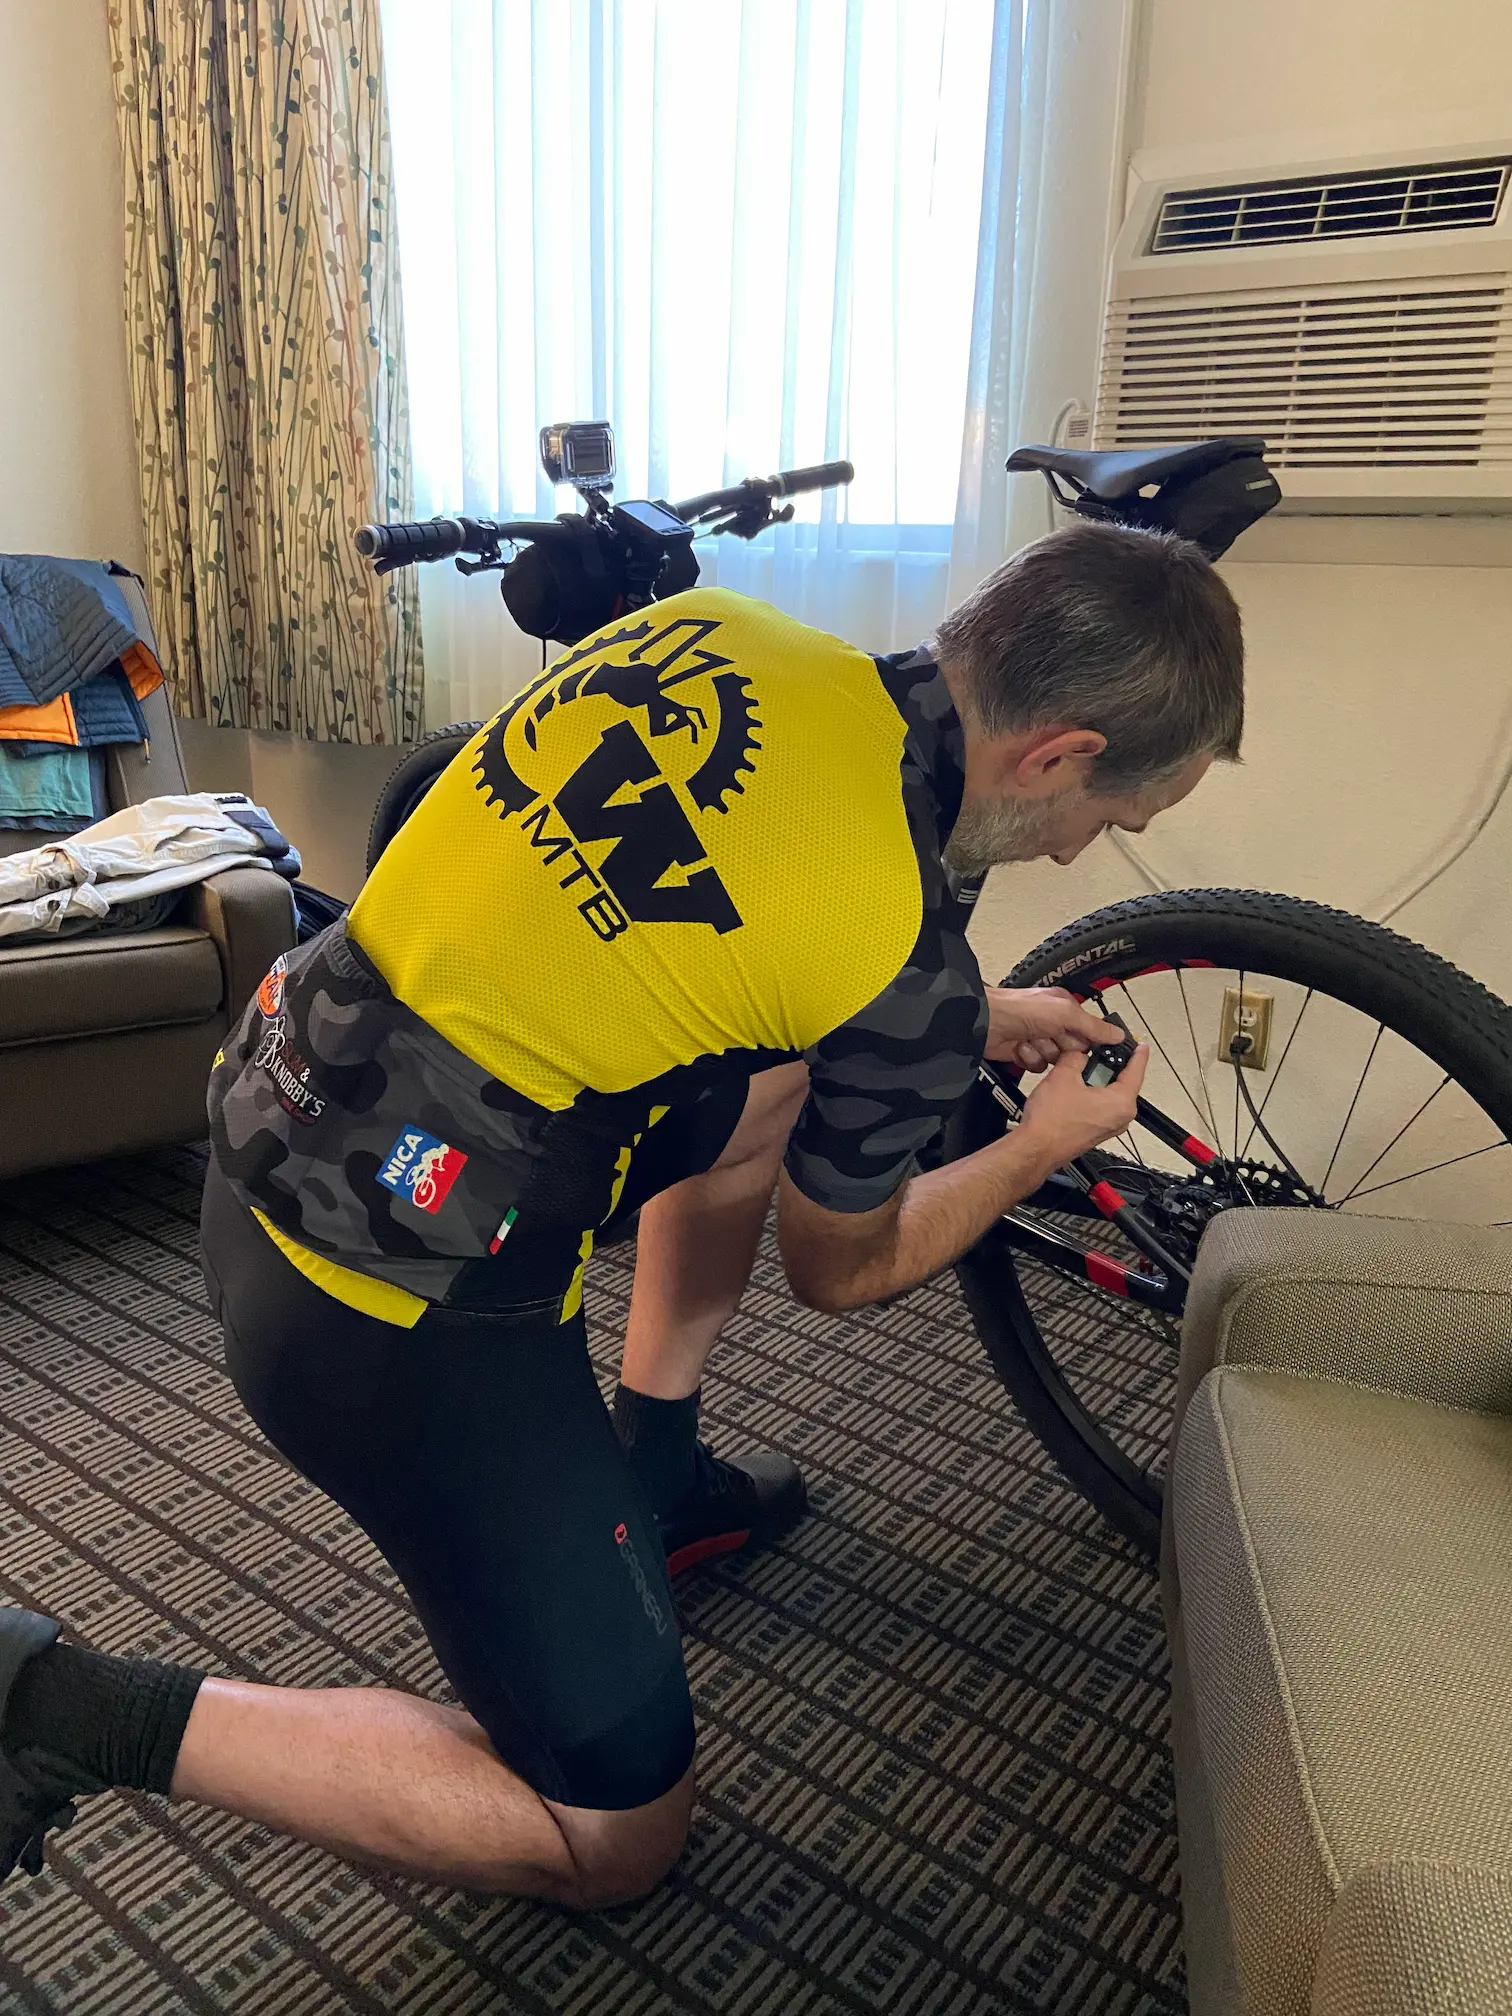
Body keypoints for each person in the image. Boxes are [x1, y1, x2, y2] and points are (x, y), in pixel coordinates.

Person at [0, 519, 1243, 1904]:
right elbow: (846, 1268)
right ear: (1061, 753)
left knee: (769, 1073)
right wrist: (1047, 1142)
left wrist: (965, 1022)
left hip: (269, 1100)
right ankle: (60, 1706)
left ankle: (652, 1461)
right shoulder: (896, 959)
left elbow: (701, 929)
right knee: (612, 1837)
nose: (1085, 854)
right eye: (1111, 820)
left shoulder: (731, 638)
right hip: (384, 1319)